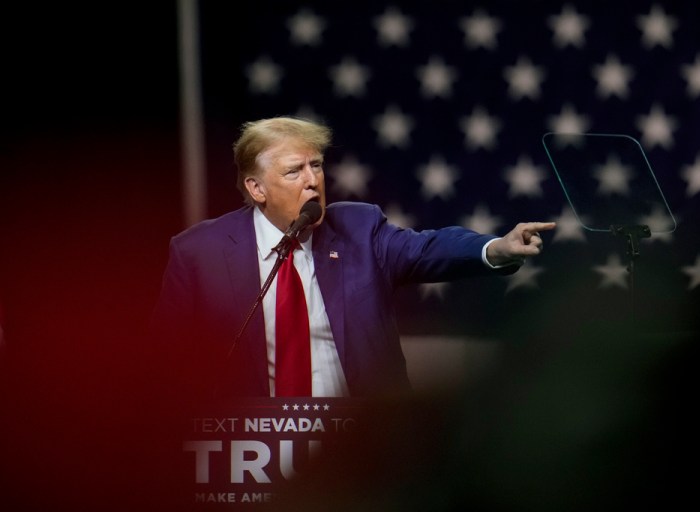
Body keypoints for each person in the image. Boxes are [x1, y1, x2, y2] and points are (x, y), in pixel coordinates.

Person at [150, 116, 555, 402]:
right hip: (254, 446)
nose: (313, 180)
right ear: (257, 188)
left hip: (360, 444)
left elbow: (428, 248)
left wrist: (495, 248)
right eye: (294, 171)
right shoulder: (198, 253)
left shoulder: (359, 228)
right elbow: (167, 361)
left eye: (317, 165)